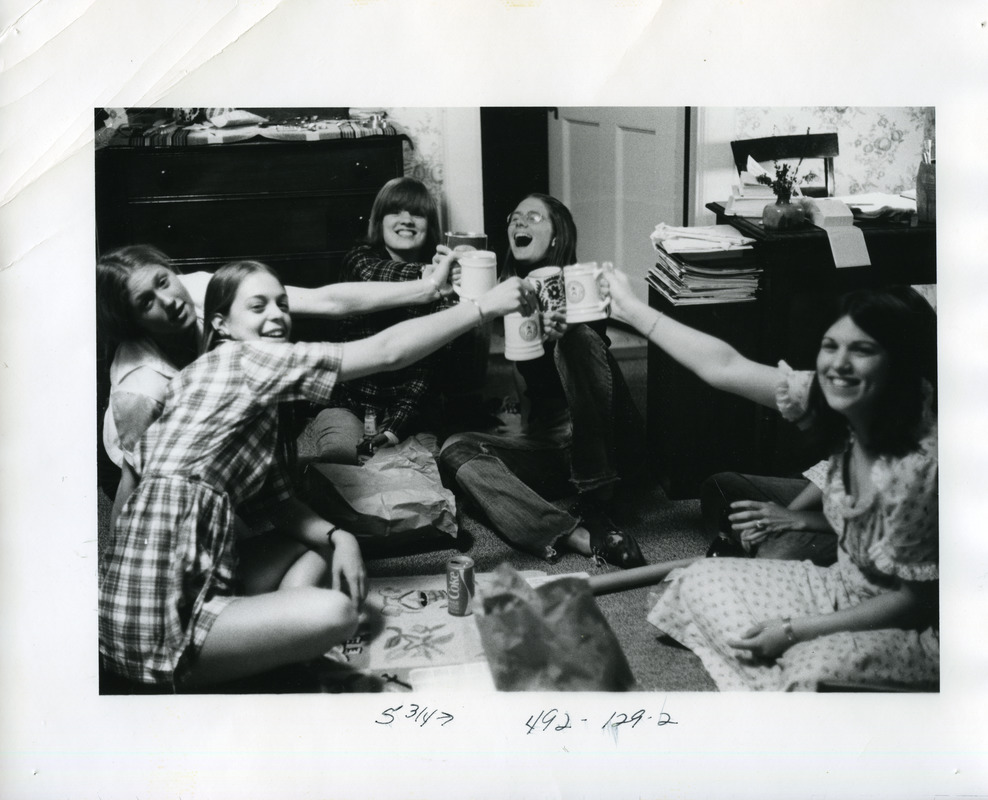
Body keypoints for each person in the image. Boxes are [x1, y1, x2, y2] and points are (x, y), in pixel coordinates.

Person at [98, 258, 535, 689]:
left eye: (282, 305)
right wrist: (482, 308)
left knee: (320, 549)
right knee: (338, 614)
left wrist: (339, 537)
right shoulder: (244, 362)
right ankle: (251, 660)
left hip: (187, 577)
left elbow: (280, 504)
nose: (276, 316)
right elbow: (387, 352)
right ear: (222, 324)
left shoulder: (209, 382)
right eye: (257, 307)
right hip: (156, 627)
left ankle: (265, 645)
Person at [604, 267, 939, 691]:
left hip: (916, 627)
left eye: (862, 350)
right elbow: (724, 366)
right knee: (698, 580)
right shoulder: (836, 397)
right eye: (830, 346)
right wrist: (630, 309)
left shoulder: (920, 467)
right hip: (841, 587)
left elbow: (915, 603)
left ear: (901, 366)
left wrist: (795, 630)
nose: (837, 364)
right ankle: (787, 685)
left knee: (807, 664)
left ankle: (793, 686)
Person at [97, 244, 454, 521]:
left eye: (163, 281)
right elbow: (136, 481)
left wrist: (428, 288)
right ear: (133, 322)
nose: (170, 300)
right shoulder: (140, 387)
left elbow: (326, 300)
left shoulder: (202, 290)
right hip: (147, 469)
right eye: (147, 302)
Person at [439, 194, 648, 569]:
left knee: (578, 337)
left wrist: (559, 332)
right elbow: (522, 390)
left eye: (533, 217)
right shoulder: (510, 295)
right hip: (552, 448)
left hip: (606, 444)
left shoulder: (579, 288)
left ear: (556, 238)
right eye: (514, 217)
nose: (519, 223)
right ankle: (570, 532)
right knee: (455, 450)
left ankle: (598, 499)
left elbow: (589, 356)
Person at [309, 177, 471, 463]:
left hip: (411, 411)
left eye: (417, 213)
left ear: (428, 224)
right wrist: (428, 277)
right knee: (337, 460)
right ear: (379, 221)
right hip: (350, 404)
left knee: (428, 467)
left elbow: (427, 372)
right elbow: (375, 273)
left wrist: (394, 429)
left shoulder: (443, 284)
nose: (406, 220)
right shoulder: (359, 260)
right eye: (395, 211)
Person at [701, 462, 838, 566]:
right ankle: (742, 551)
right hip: (837, 494)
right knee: (719, 486)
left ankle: (747, 557)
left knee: (776, 556)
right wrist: (784, 514)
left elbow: (858, 526)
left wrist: (796, 519)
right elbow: (835, 470)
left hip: (850, 527)